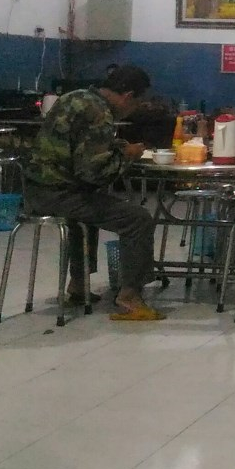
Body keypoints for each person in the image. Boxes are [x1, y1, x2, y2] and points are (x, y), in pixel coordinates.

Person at [25, 64, 162, 321]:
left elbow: (76, 146)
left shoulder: (75, 97)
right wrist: (128, 155)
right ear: (128, 96)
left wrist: (115, 147)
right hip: (59, 194)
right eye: (136, 103)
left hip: (36, 189)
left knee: (89, 212)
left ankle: (78, 285)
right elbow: (93, 173)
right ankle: (130, 297)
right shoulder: (99, 113)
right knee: (138, 219)